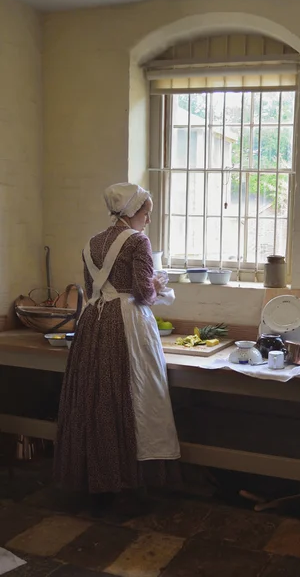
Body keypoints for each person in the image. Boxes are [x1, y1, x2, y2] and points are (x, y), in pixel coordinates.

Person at [54, 183, 180, 514]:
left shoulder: (91, 243)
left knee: (97, 395)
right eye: (145, 212)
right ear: (131, 212)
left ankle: (96, 477)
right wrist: (156, 286)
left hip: (93, 322)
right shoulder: (138, 242)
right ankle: (126, 482)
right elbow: (142, 293)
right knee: (133, 393)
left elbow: (92, 288)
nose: (148, 218)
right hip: (127, 324)